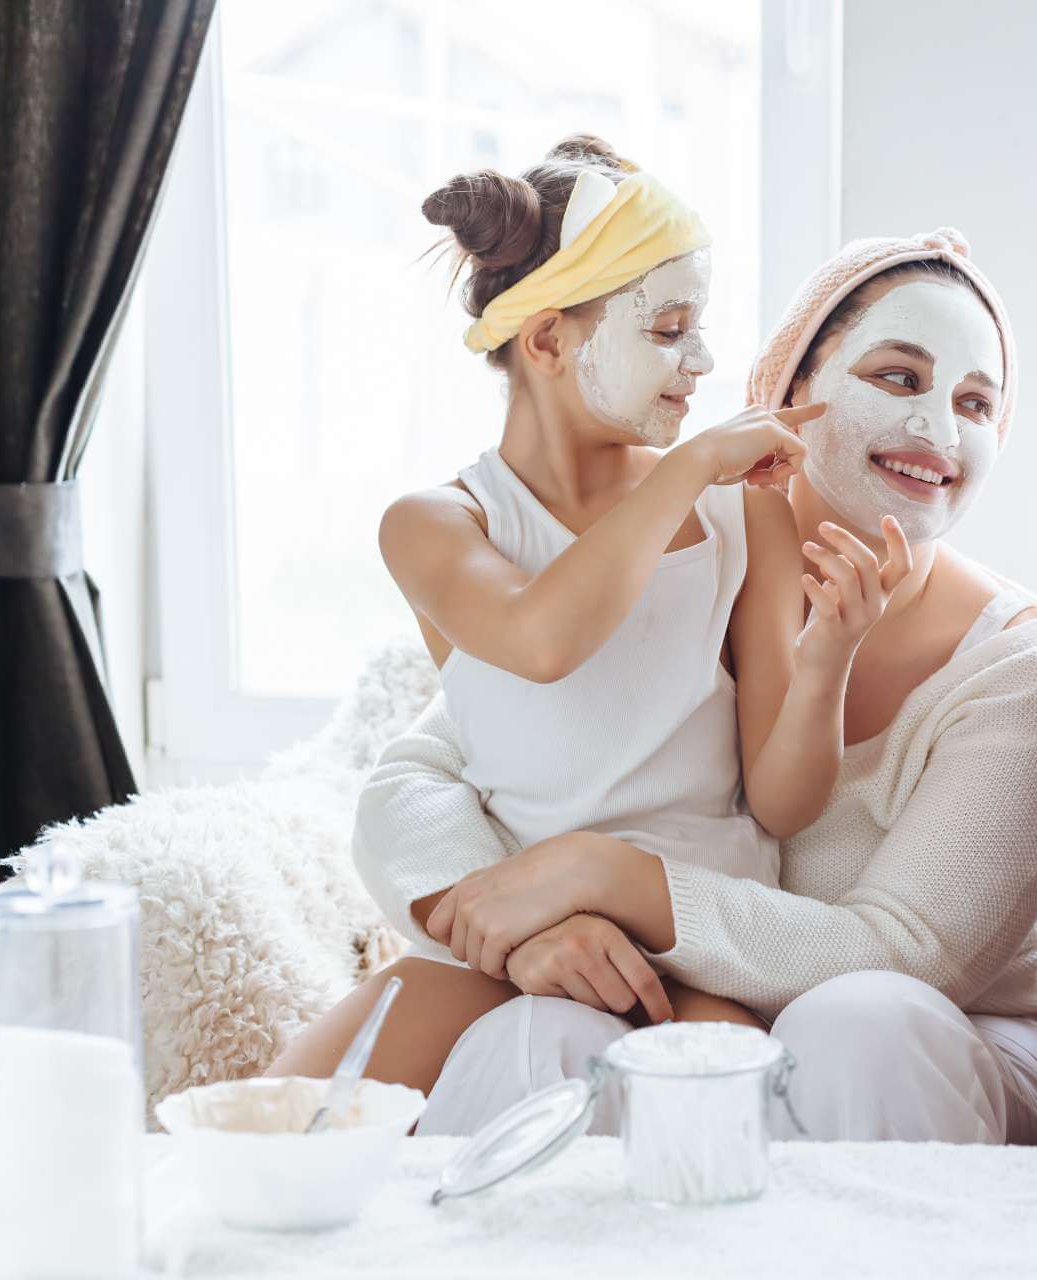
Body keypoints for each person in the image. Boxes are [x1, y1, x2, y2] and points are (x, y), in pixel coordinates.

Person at [354, 229, 1037, 1143]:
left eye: (979, 405)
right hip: (680, 1010)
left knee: (860, 1024)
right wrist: (524, 925)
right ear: (782, 396)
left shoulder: (1026, 670)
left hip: (936, 1043)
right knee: (543, 1033)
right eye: (899, 378)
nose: (940, 431)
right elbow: (423, 774)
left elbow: (905, 956)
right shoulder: (686, 562)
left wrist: (604, 875)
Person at [269, 133, 898, 1088]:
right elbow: (543, 639)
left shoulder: (742, 513)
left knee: (722, 1118)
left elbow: (783, 802)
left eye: (700, 326)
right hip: (514, 929)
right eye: (667, 328)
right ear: (550, 340)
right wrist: (690, 464)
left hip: (690, 935)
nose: (702, 359)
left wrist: (830, 658)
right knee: (278, 1125)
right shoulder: (438, 525)